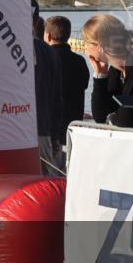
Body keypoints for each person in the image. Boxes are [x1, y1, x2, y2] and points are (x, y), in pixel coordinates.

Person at [44, 16, 90, 167]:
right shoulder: (79, 61)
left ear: (48, 36)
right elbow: (84, 85)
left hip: (51, 129)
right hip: (72, 127)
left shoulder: (45, 60)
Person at [32, 0, 63, 175]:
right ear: (38, 21)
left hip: (12, 133)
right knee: (42, 181)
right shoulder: (48, 51)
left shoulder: (44, 51)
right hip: (43, 131)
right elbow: (56, 98)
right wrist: (55, 135)